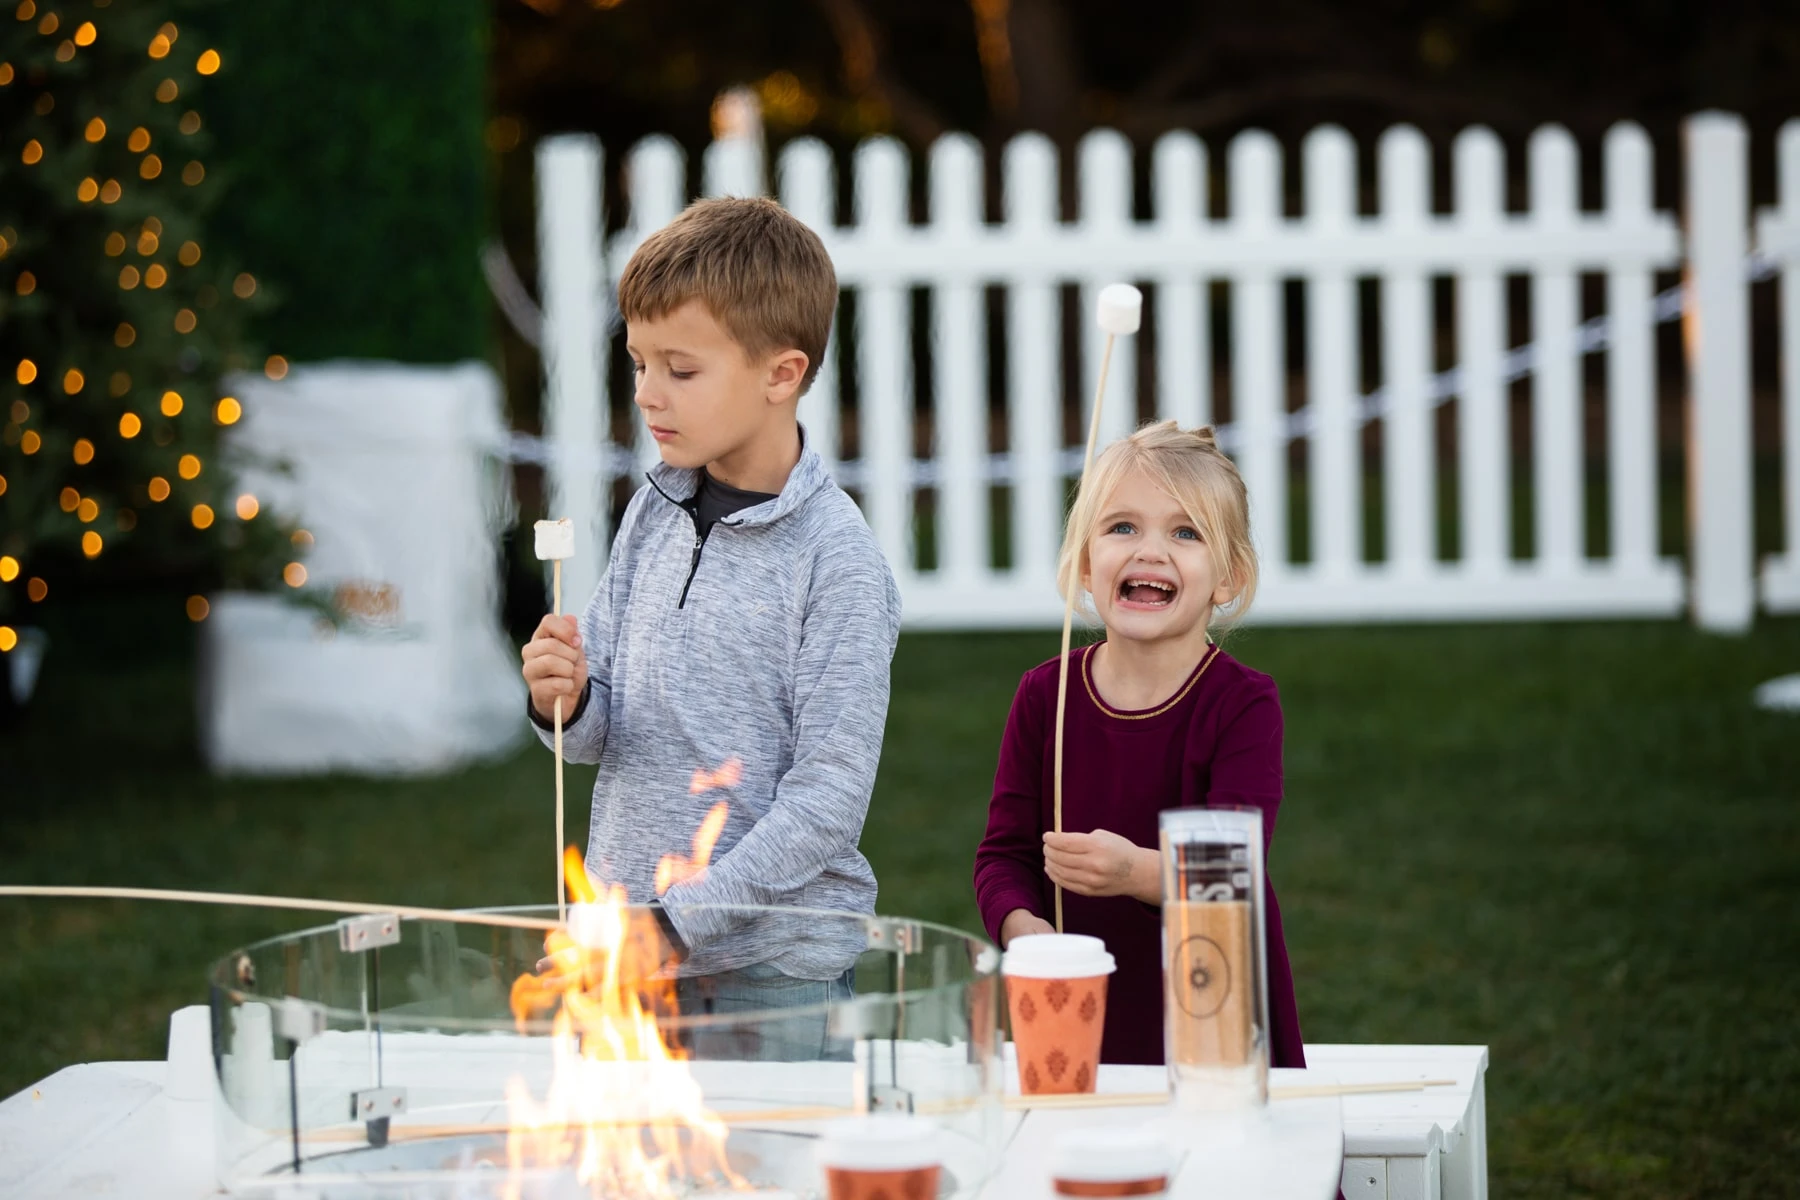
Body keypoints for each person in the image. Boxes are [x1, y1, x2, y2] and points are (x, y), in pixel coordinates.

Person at [520, 196, 902, 1059]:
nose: (648, 395)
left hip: (772, 976)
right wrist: (568, 702)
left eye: (680, 370)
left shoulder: (836, 562)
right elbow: (598, 739)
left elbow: (829, 803)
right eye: (639, 365)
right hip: (631, 958)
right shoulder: (651, 512)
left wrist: (677, 923)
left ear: (782, 373)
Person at [973, 420, 1305, 1067]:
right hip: (1078, 1011)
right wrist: (1025, 931)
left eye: (1185, 532)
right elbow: (1004, 855)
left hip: (1216, 1003)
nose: (1149, 551)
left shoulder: (1242, 702)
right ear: (1086, 564)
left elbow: (1229, 872)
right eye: (1122, 527)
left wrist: (1131, 871)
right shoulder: (1047, 695)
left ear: (1229, 577)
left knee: (1229, 1163)